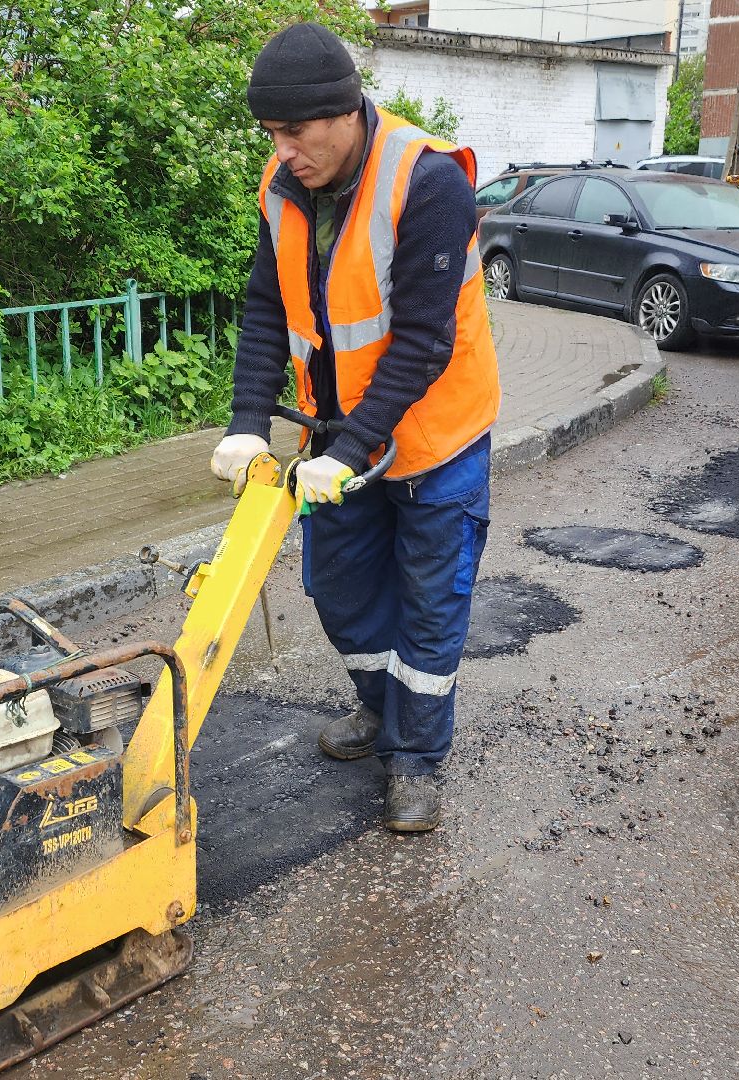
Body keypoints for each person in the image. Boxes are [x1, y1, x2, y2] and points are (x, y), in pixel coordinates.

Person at [208, 22, 500, 832]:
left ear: (344, 112)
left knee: (430, 604)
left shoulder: (428, 181)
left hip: (435, 438)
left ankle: (415, 759)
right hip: (340, 437)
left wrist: (347, 447)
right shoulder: (284, 185)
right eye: (270, 133)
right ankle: (380, 708)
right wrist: (247, 422)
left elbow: (423, 342)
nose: (282, 151)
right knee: (339, 588)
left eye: (294, 132)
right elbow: (267, 306)